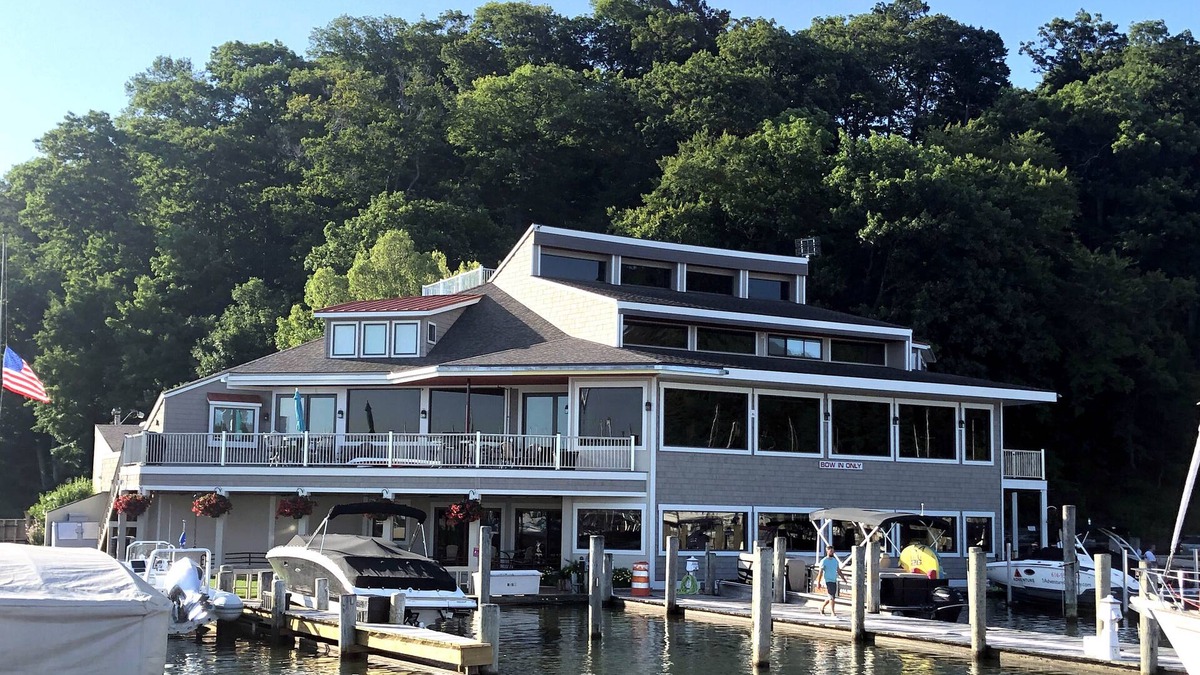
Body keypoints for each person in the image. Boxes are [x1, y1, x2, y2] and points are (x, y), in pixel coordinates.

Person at [818, 546, 844, 616]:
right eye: (831, 551)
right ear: (827, 551)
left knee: (831, 597)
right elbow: (820, 572)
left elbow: (838, 570)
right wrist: (818, 582)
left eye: (833, 551)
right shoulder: (824, 561)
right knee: (831, 596)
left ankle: (822, 607)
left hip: (834, 580)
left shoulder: (835, 561)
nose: (832, 552)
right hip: (827, 581)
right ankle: (833, 612)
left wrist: (843, 578)